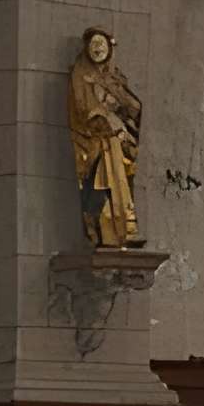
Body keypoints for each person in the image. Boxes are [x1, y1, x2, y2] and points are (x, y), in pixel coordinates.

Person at [69, 28, 144, 248]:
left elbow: (134, 108)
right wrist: (108, 120)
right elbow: (83, 108)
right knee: (100, 183)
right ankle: (106, 231)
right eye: (94, 44)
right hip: (95, 141)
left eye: (102, 44)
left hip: (119, 143)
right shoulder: (81, 74)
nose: (98, 48)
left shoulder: (114, 77)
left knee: (120, 180)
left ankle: (123, 230)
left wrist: (122, 109)